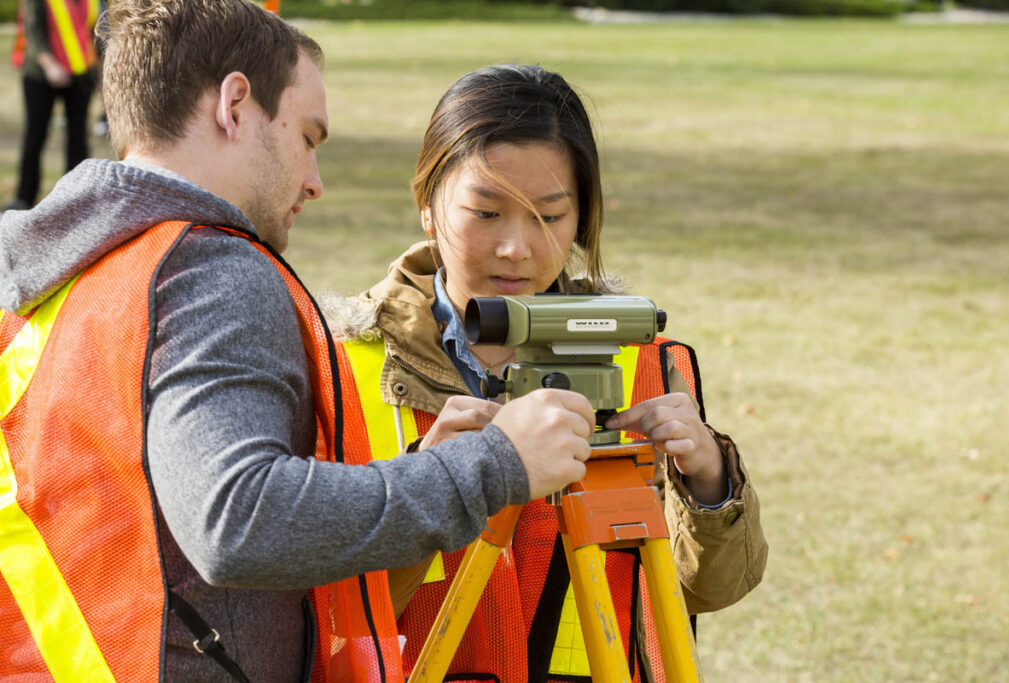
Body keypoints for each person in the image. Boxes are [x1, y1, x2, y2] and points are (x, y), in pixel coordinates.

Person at [0, 3, 597, 681]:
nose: (314, 180)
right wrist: (494, 462)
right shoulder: (207, 270)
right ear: (234, 104)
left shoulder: (48, 270)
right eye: (307, 137)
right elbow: (237, 517)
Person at [324, 64, 769, 681]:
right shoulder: (344, 364)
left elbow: (710, 590)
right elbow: (326, 613)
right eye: (485, 213)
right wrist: (429, 490)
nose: (517, 247)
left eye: (549, 216)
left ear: (582, 218)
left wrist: (710, 485)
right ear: (428, 206)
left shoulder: (644, 363)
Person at [3, 0, 99, 212]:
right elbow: (32, 31)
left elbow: (95, 30)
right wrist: (49, 65)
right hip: (41, 75)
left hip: (81, 74)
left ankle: (76, 198)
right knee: (35, 135)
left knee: (78, 138)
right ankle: (24, 198)